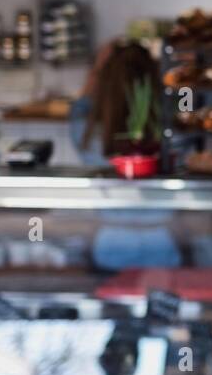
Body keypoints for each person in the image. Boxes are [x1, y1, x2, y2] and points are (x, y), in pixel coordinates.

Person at [68, 39, 181, 271]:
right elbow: (189, 103)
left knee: (116, 302)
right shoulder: (172, 130)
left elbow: (80, 105)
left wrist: (98, 71)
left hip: (111, 240)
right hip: (162, 240)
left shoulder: (87, 131)